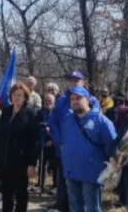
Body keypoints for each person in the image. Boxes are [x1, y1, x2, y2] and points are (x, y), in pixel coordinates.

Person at [48, 71, 100, 212]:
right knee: (65, 187)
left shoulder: (92, 101)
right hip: (66, 151)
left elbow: (97, 124)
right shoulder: (62, 101)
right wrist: (59, 142)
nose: (74, 83)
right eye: (71, 80)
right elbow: (53, 123)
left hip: (86, 154)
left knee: (87, 191)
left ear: (83, 82)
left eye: (77, 80)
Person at [62, 86, 116, 212]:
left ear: (87, 99)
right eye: (72, 99)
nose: (75, 101)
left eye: (78, 98)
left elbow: (112, 147)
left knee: (92, 208)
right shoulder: (68, 120)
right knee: (75, 208)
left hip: (92, 174)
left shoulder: (101, 121)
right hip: (71, 172)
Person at [0, 83, 38, 212]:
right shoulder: (6, 111)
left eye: (20, 95)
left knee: (20, 193)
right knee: (6, 192)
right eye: (14, 95)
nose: (16, 97)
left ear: (25, 97)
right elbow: (0, 133)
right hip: (4, 158)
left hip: (21, 160)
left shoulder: (30, 114)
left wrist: (32, 163)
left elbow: (34, 141)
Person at [37, 93, 56, 194]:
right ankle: (41, 184)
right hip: (42, 141)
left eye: (50, 101)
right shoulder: (40, 112)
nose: (48, 103)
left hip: (53, 142)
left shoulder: (56, 113)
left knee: (54, 165)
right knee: (42, 164)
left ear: (54, 102)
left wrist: (52, 137)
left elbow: (58, 127)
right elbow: (36, 124)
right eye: (46, 101)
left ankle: (55, 186)